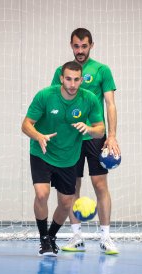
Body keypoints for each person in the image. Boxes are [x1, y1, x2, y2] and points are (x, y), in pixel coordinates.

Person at [22, 61, 105, 257]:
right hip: (42, 151)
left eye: (77, 79)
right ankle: (44, 239)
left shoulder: (89, 99)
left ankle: (51, 237)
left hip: (69, 157)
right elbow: (26, 124)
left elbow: (100, 129)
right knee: (42, 194)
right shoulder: (45, 96)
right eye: (68, 79)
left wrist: (90, 130)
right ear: (61, 78)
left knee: (66, 203)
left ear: (81, 80)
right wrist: (38, 136)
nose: (72, 84)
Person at [51, 28, 121, 254]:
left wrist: (111, 136)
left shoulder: (102, 70)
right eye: (76, 46)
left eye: (84, 46)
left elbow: (110, 103)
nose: (80, 51)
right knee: (71, 189)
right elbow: (54, 102)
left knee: (101, 185)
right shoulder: (62, 72)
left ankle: (106, 237)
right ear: (71, 46)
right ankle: (76, 236)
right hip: (69, 140)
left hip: (94, 136)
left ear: (91, 45)